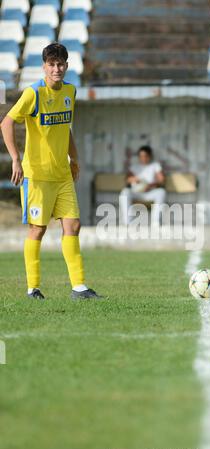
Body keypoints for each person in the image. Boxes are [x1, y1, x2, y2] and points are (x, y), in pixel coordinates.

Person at [1, 43, 102, 300]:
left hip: (62, 174)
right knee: (38, 229)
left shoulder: (70, 90)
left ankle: (79, 287)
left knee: (74, 225)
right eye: (52, 65)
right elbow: (6, 123)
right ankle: (32, 288)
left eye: (61, 64)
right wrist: (15, 159)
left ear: (67, 66)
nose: (56, 69)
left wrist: (74, 158)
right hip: (37, 175)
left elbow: (65, 127)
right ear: (44, 67)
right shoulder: (33, 93)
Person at [119, 145, 166, 225]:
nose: (143, 158)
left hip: (150, 192)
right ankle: (127, 222)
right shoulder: (134, 167)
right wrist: (133, 179)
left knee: (161, 192)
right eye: (141, 156)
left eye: (145, 156)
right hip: (137, 192)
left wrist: (150, 185)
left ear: (150, 156)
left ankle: (155, 222)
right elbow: (127, 179)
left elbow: (162, 180)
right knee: (125, 192)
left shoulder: (155, 166)